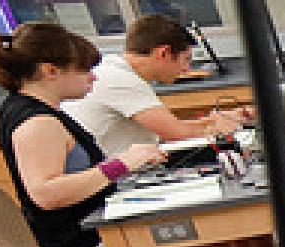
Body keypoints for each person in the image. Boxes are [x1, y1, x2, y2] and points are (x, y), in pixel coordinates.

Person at [0, 22, 228, 247]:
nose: (93, 78)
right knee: (215, 246)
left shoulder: (23, 108)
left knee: (196, 242)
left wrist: (126, 161)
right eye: (85, 70)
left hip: (76, 234)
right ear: (49, 71)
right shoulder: (38, 122)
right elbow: (46, 194)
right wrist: (121, 165)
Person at [63, 14, 247, 157]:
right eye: (185, 60)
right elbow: (177, 132)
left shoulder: (117, 70)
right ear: (164, 53)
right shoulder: (120, 80)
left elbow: (169, 127)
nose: (186, 69)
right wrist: (220, 125)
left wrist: (214, 121)